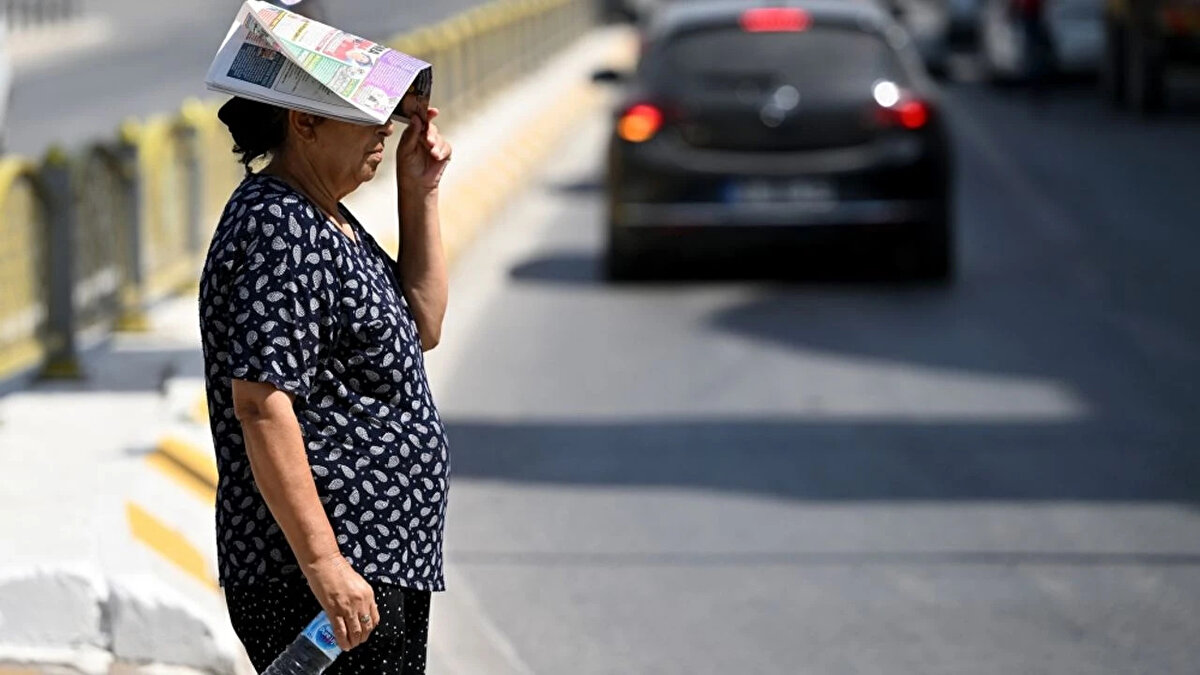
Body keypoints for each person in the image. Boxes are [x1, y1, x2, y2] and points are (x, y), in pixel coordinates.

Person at [197, 88, 452, 674]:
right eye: (367, 115)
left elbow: (424, 323)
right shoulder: (277, 224)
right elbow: (261, 404)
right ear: (304, 120)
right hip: (317, 578)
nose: (386, 129)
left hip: (376, 564)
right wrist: (327, 566)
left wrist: (421, 190)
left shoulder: (324, 217)